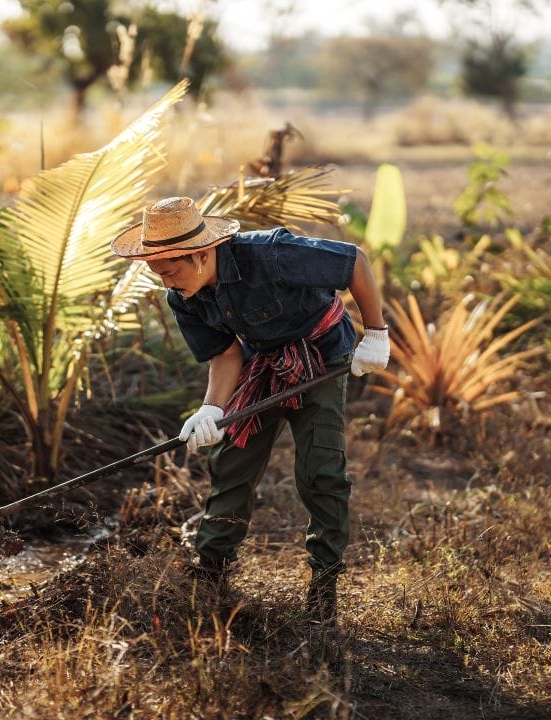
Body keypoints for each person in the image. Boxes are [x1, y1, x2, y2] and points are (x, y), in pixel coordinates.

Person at [110, 196, 389, 626]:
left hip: (322, 356)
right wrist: (211, 410)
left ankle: (323, 588)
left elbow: (354, 261)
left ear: (202, 254)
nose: (165, 281)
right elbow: (224, 354)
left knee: (321, 473)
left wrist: (376, 333)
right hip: (263, 365)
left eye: (170, 270)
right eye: (157, 272)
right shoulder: (183, 294)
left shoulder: (270, 254)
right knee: (231, 464)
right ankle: (211, 576)